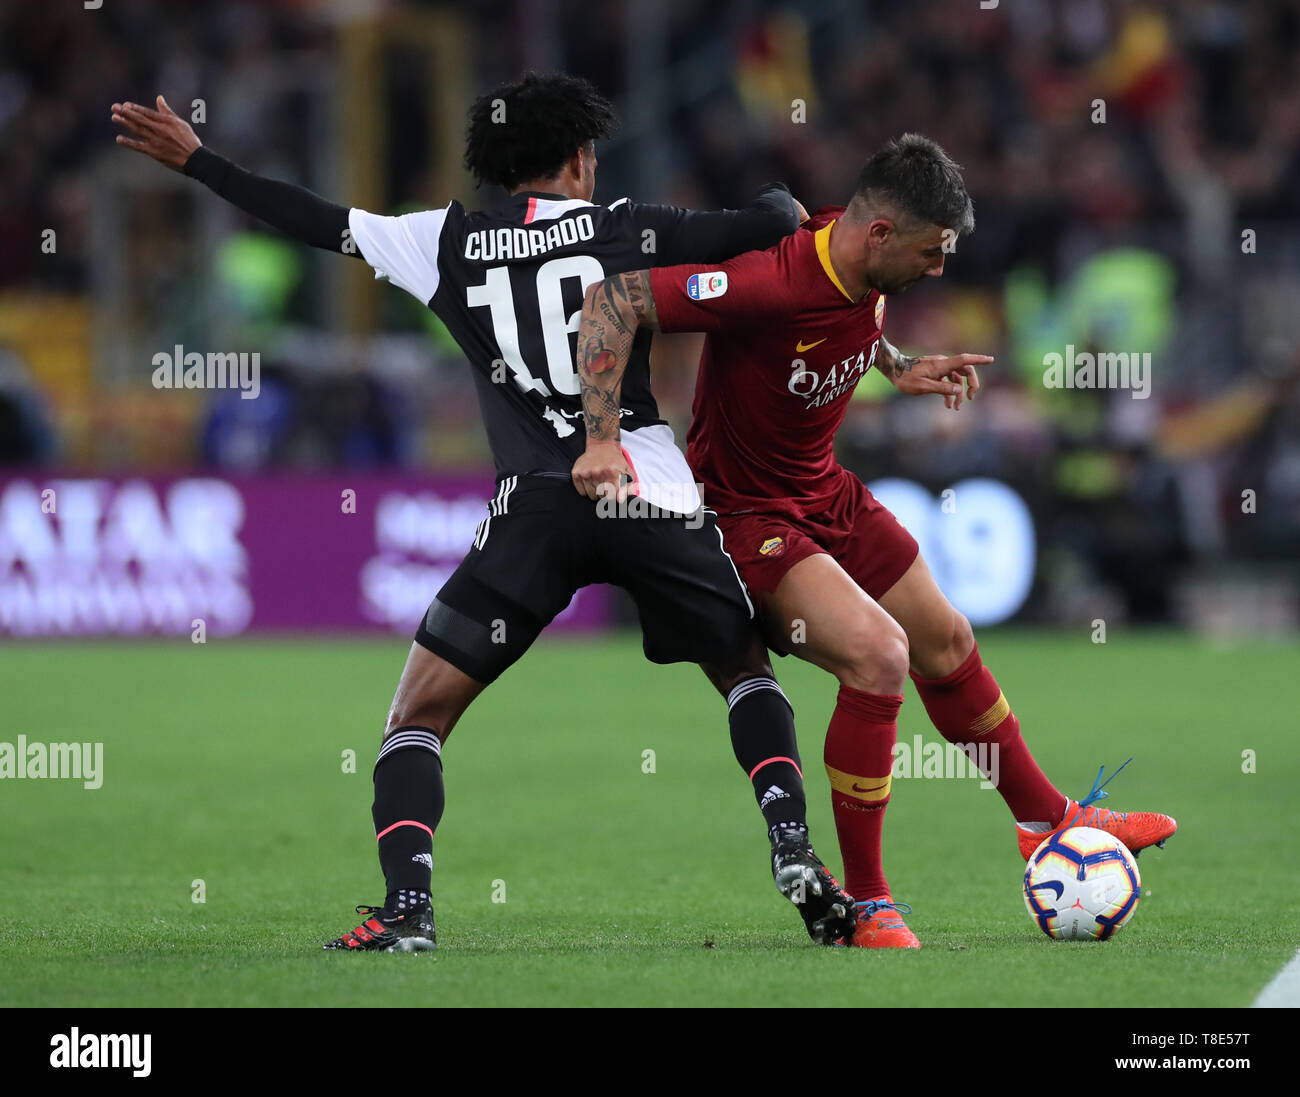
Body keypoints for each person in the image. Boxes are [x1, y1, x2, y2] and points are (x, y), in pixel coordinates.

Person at [111, 72, 856, 951]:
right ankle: (794, 847)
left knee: (416, 719)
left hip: (537, 503)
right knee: (745, 673)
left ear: (504, 169)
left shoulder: (443, 240)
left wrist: (201, 163)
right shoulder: (631, 227)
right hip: (647, 489)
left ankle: (408, 912)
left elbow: (310, 218)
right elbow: (768, 223)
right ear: (580, 159)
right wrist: (778, 195)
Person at [572, 133, 1178, 949]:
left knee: (946, 636)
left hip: (826, 489)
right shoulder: (768, 280)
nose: (939, 270)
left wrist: (896, 363)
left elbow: (851, 316)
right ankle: (865, 900)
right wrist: (601, 438)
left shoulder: (854, 246)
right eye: (931, 253)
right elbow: (615, 301)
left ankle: (1043, 818)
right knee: (879, 657)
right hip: (749, 515)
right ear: (882, 235)